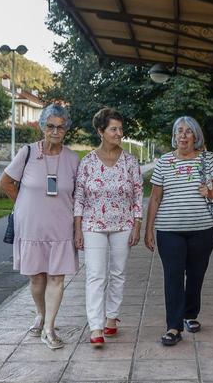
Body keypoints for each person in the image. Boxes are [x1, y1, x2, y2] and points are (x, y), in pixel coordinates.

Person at [0, 104, 79, 350]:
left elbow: (79, 195)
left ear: (66, 129)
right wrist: (23, 204)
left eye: (61, 127)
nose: (55, 131)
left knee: (56, 277)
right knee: (36, 280)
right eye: (50, 126)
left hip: (61, 228)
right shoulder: (27, 152)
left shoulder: (73, 159)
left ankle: (49, 328)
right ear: (41, 127)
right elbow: (6, 182)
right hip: (32, 227)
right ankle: (40, 314)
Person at [144, 116, 213, 346]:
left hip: (203, 229)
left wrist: (209, 193)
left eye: (188, 131)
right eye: (179, 131)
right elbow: (155, 197)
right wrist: (148, 229)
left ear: (195, 136)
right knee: (172, 276)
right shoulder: (163, 162)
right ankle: (173, 326)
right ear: (174, 136)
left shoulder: (207, 159)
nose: (183, 135)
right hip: (169, 230)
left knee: (196, 273)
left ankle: (190, 314)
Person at [74, 108, 143, 348]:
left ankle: (111, 317)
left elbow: (137, 195)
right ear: (100, 131)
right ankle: (95, 326)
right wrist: (77, 228)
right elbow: (79, 197)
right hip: (93, 225)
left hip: (123, 224)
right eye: (114, 129)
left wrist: (137, 225)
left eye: (121, 129)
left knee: (118, 272)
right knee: (95, 274)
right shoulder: (88, 163)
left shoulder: (130, 162)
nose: (119, 133)